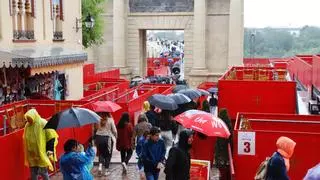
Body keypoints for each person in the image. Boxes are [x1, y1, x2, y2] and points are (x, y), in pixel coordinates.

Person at [23, 109, 58, 180]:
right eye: (27, 119)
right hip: (31, 154)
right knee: (33, 171)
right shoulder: (27, 125)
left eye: (30, 118)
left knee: (43, 171)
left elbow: (51, 136)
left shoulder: (43, 123)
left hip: (41, 153)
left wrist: (50, 149)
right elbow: (25, 137)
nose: (28, 120)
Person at [215, 108, 233, 180]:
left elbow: (219, 142)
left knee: (222, 172)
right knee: (228, 171)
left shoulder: (220, 125)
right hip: (228, 152)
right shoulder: (229, 125)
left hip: (221, 153)